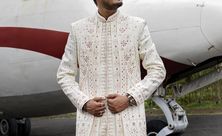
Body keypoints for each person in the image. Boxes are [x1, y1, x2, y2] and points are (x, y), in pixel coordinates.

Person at [56, 0, 166, 135]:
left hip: (130, 127)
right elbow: (64, 74)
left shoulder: (137, 26)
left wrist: (129, 99)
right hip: (90, 127)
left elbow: (157, 70)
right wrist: (84, 103)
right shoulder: (78, 29)